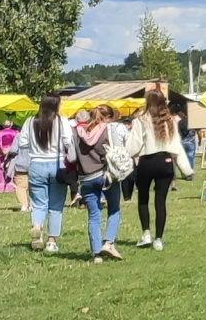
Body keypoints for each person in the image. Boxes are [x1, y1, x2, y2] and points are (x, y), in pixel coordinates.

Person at [126, 82, 188, 248]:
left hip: (147, 162)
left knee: (143, 199)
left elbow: (134, 146)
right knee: (160, 202)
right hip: (165, 162)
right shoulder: (171, 120)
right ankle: (159, 239)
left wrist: (126, 155)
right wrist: (186, 169)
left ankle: (146, 233)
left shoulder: (141, 120)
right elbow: (177, 147)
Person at [15, 97, 74, 252]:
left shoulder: (30, 121)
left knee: (39, 203)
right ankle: (52, 241)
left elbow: (22, 143)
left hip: (36, 164)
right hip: (58, 164)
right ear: (57, 105)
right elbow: (68, 141)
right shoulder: (62, 121)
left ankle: (37, 227)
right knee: (56, 205)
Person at [72, 103, 127, 261]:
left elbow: (71, 157)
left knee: (94, 215)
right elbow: (119, 152)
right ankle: (108, 243)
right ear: (107, 117)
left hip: (86, 178)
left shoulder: (78, 131)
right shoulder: (110, 129)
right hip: (106, 175)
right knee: (114, 209)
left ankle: (96, 254)